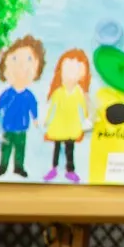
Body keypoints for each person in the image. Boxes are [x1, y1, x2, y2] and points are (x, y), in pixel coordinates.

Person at [0, 36, 44, 178]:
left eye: (29, 60)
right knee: (6, 148)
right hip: (8, 127)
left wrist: (35, 119)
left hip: (22, 127)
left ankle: (19, 167)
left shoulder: (28, 95)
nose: (21, 67)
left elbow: (33, 107)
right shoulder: (7, 93)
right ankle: (2, 167)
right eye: (15, 59)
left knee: (20, 149)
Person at [41, 49, 91, 183]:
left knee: (70, 149)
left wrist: (85, 121)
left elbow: (82, 109)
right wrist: (47, 121)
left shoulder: (79, 93)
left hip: (72, 126)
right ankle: (54, 168)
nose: (70, 75)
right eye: (67, 70)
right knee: (57, 148)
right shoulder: (58, 93)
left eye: (75, 71)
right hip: (58, 125)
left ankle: (70, 170)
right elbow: (52, 108)